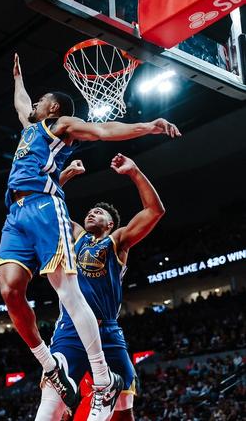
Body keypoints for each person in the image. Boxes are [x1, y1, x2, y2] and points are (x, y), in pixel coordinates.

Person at [0, 53, 180, 419]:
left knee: (66, 289)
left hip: (45, 209)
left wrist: (148, 126)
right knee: (9, 290)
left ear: (53, 108)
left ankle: (103, 380)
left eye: (42, 100)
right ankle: (50, 366)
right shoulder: (31, 129)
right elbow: (21, 105)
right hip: (16, 211)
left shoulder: (61, 124)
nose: (34, 104)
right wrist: (17, 79)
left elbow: (103, 130)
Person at [35, 154, 164, 420]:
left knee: (124, 408)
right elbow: (43, 205)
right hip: (70, 328)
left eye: (99, 212)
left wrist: (134, 171)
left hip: (107, 330)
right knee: (54, 401)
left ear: (110, 224)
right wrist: (66, 175)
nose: (92, 212)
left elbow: (154, 211)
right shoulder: (76, 235)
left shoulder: (117, 241)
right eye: (90, 211)